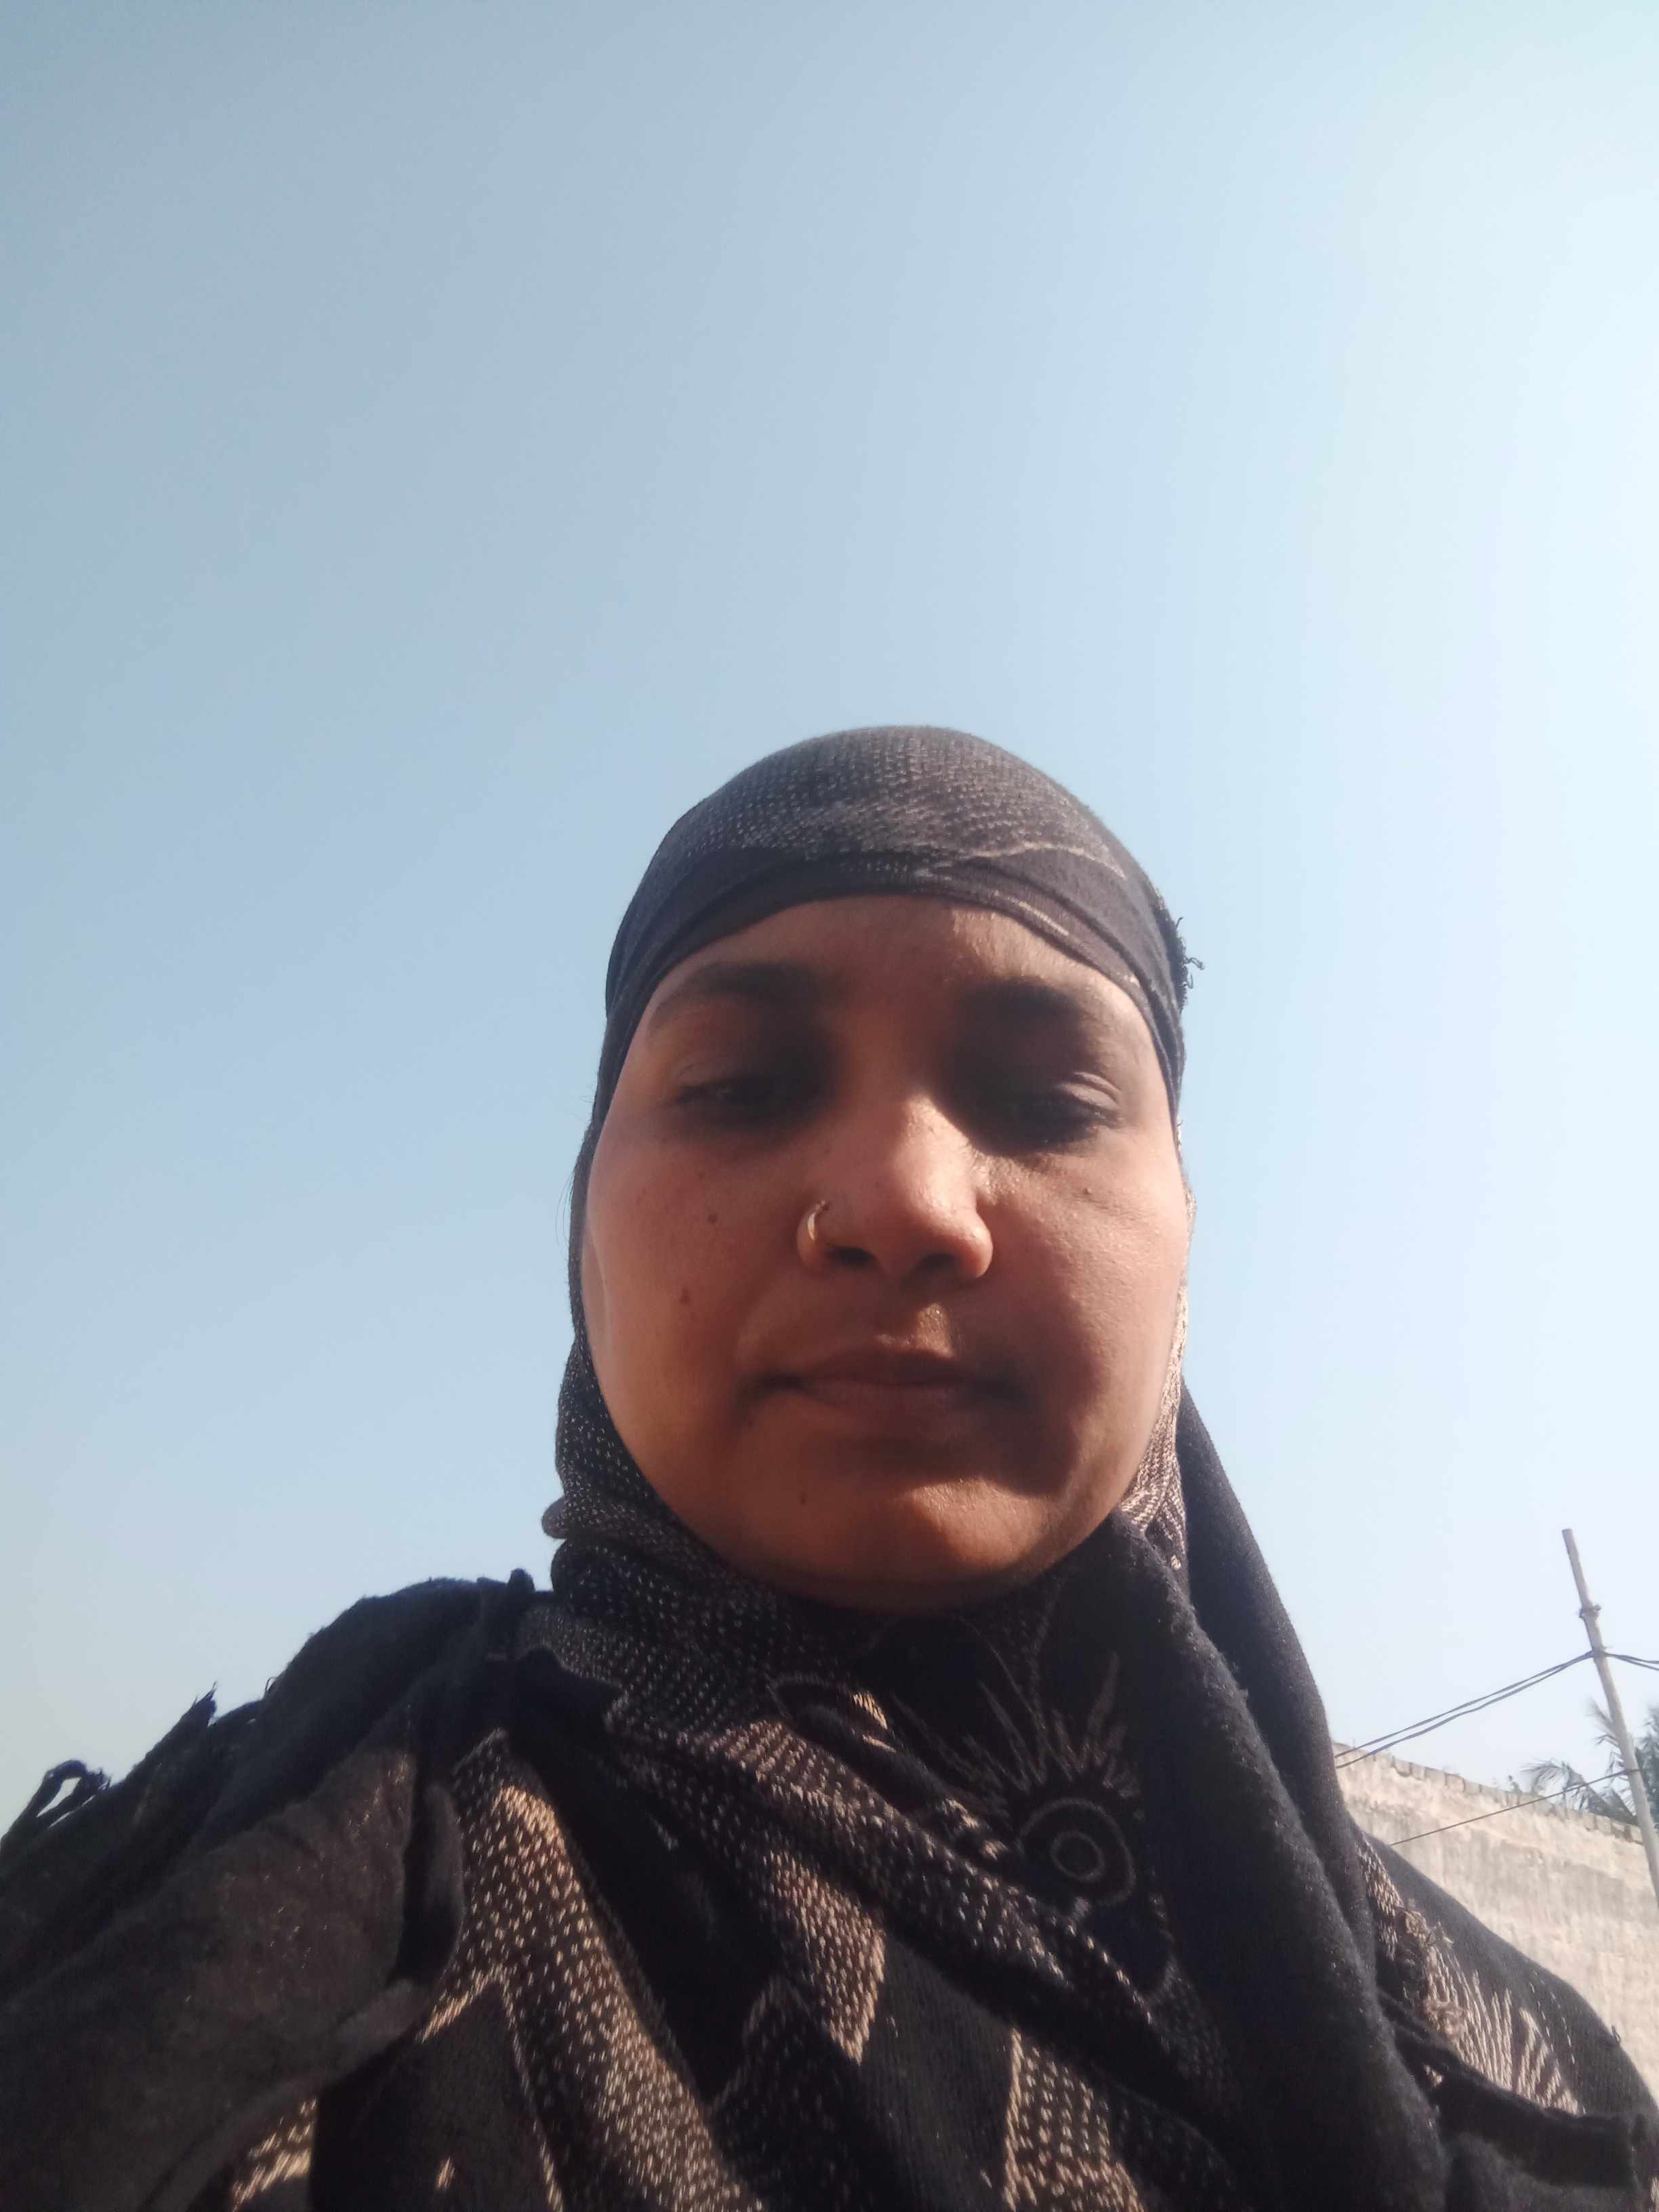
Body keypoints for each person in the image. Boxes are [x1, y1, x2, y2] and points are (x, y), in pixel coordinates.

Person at [1, 725, 1652, 2212]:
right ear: (584, 1231)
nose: (902, 1201)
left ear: (1185, 1236)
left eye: (1046, 1101)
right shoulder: (260, 1908)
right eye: (741, 1087)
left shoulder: (1542, 2083)